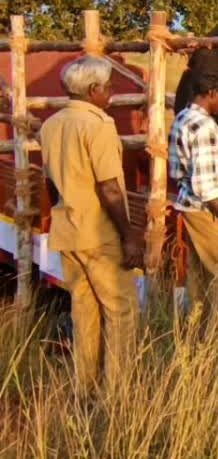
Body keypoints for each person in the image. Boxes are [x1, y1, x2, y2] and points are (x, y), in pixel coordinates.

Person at [39, 56, 142, 392]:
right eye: (109, 86)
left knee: (84, 312)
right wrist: (129, 236)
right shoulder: (98, 125)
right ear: (95, 89)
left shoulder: (51, 125)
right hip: (100, 232)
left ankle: (85, 388)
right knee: (121, 312)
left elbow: (51, 183)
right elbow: (109, 187)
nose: (111, 92)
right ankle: (118, 394)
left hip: (67, 230)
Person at [169, 71, 218, 336]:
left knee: (200, 275)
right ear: (212, 94)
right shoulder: (203, 127)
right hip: (207, 210)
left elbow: (180, 172)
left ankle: (195, 334)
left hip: (189, 206)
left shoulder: (182, 117)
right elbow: (204, 183)